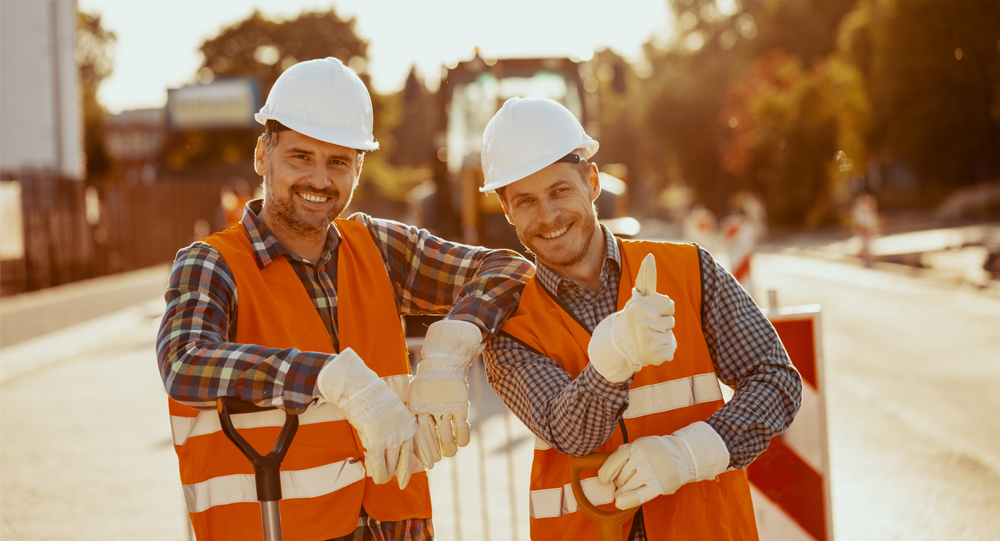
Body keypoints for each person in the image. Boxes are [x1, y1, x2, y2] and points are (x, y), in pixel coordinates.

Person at [156, 58, 533, 541]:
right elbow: (185, 363)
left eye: (338, 161)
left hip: (395, 527)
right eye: (300, 156)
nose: (319, 179)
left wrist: (451, 348)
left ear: (358, 167)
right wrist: (331, 377)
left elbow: (509, 269)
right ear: (261, 155)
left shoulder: (377, 248)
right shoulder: (211, 264)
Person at [479, 97, 802, 540]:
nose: (549, 215)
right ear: (507, 210)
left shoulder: (688, 269)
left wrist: (690, 453)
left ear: (592, 181)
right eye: (526, 201)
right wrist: (614, 359)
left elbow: (776, 381)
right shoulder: (509, 327)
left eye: (559, 191)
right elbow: (569, 432)